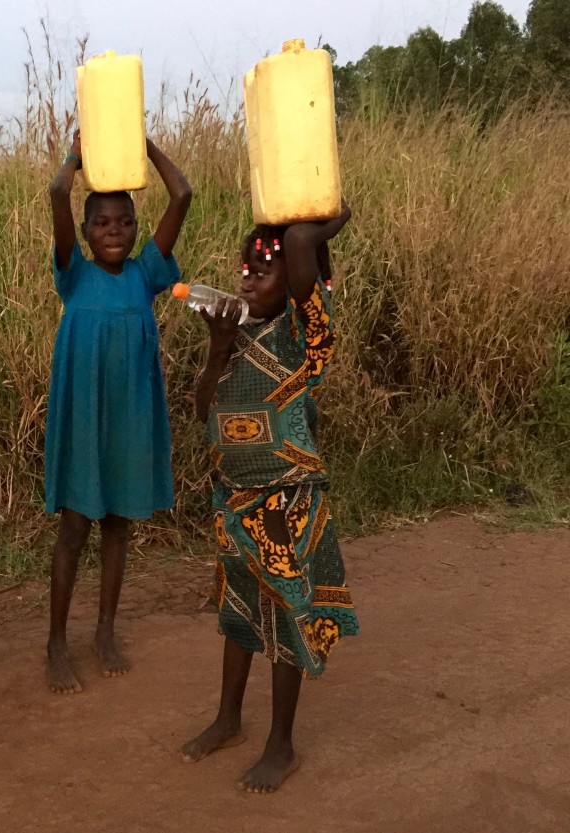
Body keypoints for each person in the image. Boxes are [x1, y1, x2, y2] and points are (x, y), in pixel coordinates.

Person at [179, 209, 359, 793]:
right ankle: (228, 719)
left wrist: (316, 226)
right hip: (234, 500)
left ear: (300, 282)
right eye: (244, 270)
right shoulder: (236, 334)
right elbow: (203, 409)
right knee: (238, 616)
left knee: (286, 615)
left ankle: (281, 744)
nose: (248, 280)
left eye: (264, 269)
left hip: (289, 500)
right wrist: (218, 347)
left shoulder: (306, 335)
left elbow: (304, 243)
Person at [45, 132, 192, 693]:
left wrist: (142, 144)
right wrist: (79, 154)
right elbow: (60, 193)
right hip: (84, 416)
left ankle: (105, 630)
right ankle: (57, 640)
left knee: (117, 525)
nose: (114, 231)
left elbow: (182, 195)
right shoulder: (74, 274)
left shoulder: (147, 273)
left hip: (130, 412)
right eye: (102, 223)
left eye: (124, 223)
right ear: (85, 233)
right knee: (75, 526)